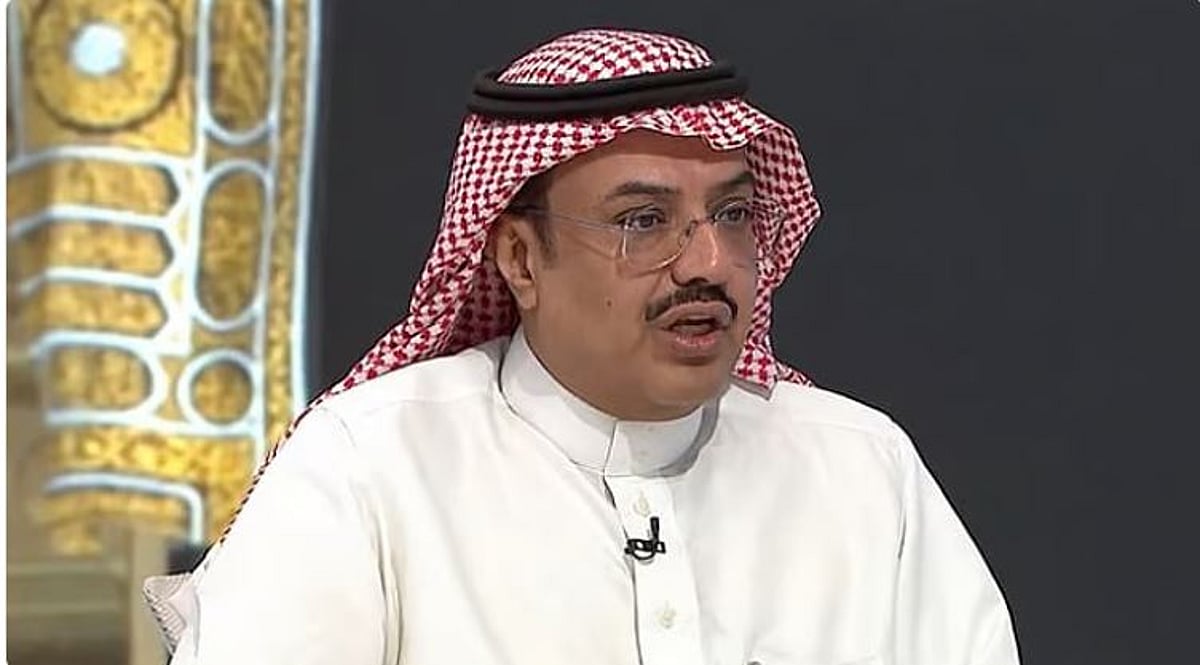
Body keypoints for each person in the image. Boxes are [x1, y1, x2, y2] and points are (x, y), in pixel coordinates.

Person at [145, 28, 1020, 665]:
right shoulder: (366, 467)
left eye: (732, 214)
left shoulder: (862, 468)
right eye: (644, 222)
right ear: (521, 259)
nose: (710, 263)